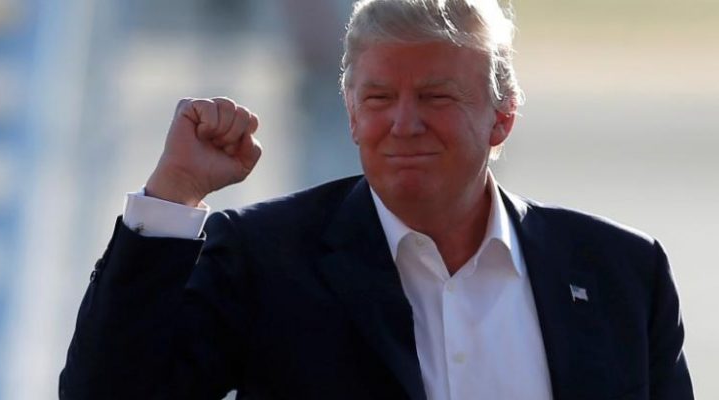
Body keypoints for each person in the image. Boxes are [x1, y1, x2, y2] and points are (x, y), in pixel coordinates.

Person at [60, 0, 693, 399]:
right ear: (351, 115)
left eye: (437, 97)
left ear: (503, 119)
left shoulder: (621, 272)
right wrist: (174, 194)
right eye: (379, 99)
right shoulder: (267, 259)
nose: (404, 123)